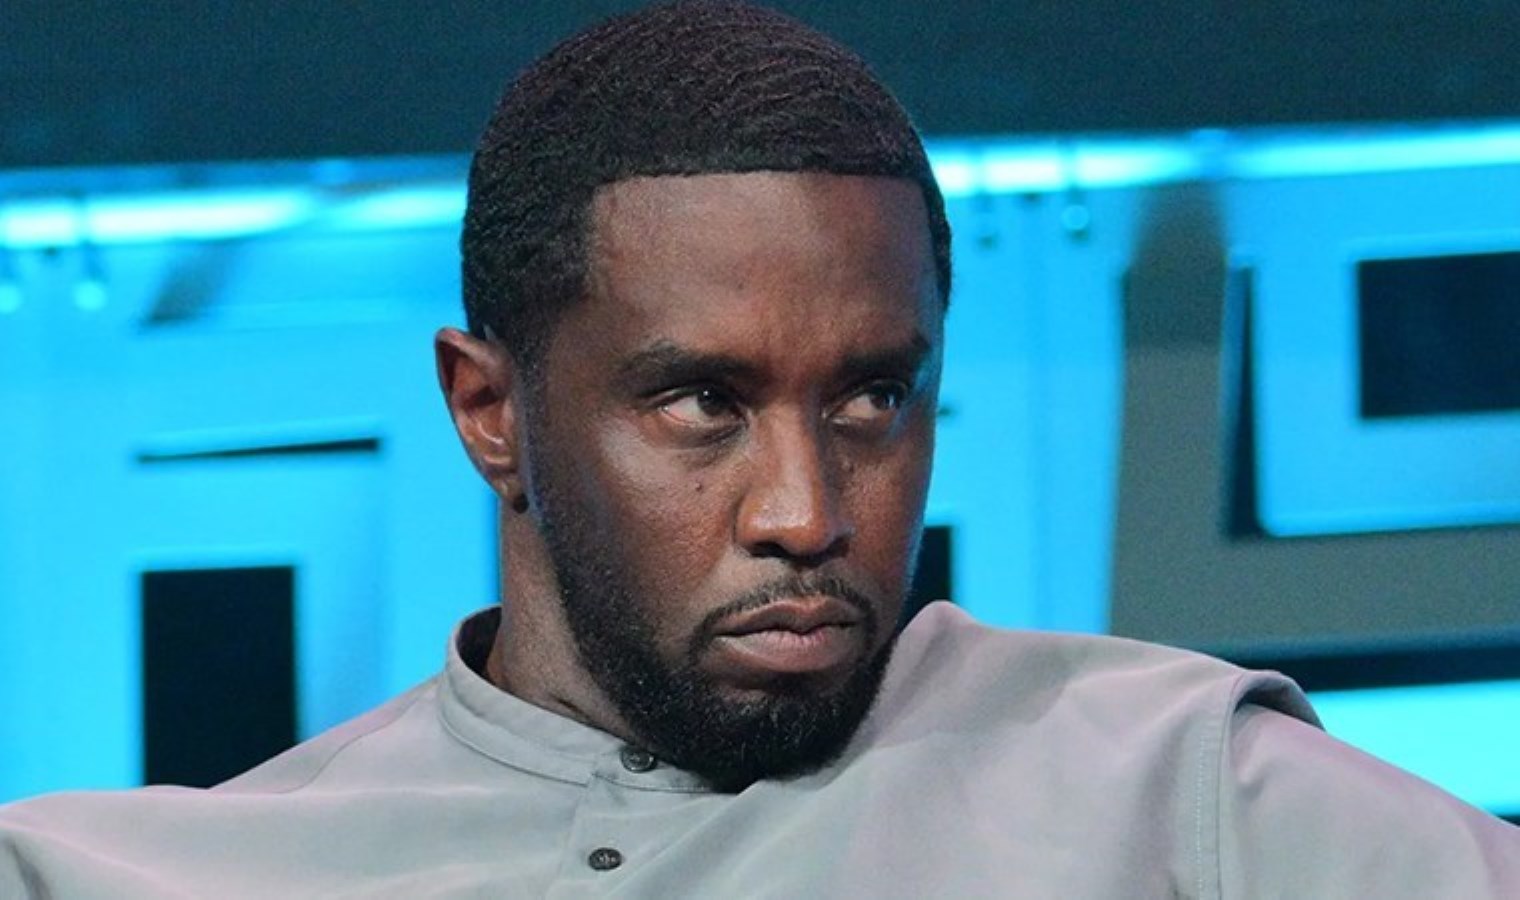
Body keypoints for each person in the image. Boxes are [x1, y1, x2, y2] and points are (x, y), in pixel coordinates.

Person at [2, 2, 1517, 896]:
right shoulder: (150, 875)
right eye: (701, 404)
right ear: (490, 412)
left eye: (871, 398)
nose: (804, 513)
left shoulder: (1174, 791)